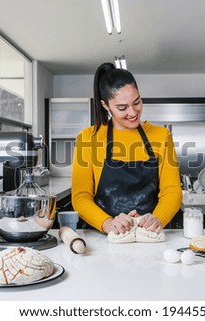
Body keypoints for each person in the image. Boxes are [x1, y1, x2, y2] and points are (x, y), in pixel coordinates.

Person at [71, 62, 182, 235]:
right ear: (106, 105)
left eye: (136, 102)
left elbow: (172, 190)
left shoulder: (161, 136)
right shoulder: (88, 138)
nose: (133, 112)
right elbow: (80, 197)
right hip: (106, 238)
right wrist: (107, 223)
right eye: (122, 107)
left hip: (150, 235)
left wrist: (157, 218)